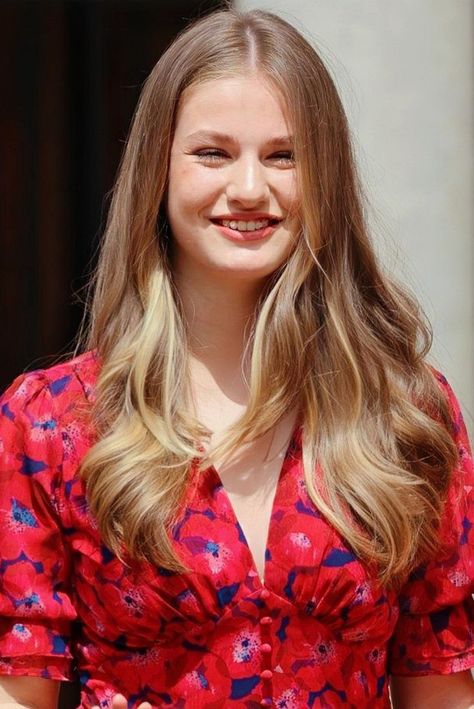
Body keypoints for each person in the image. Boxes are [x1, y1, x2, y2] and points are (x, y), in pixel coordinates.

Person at [0, 7, 473, 709]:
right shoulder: (51, 424)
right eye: (213, 153)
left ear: (326, 175)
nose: (250, 188)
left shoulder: (406, 414)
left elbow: (441, 690)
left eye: (284, 155)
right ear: (157, 169)